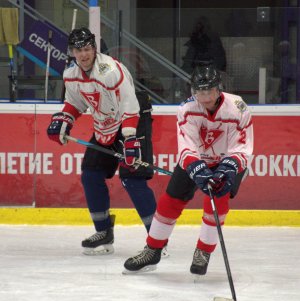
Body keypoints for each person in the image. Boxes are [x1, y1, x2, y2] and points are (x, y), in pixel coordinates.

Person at [47, 27, 168, 256]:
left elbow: (130, 107)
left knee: (132, 178)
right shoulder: (71, 75)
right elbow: (75, 103)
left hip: (133, 118)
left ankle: (157, 240)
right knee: (91, 174)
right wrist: (64, 120)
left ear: (94, 48)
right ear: (72, 52)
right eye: (78, 50)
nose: (83, 54)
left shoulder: (110, 70)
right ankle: (103, 232)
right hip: (106, 123)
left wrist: (130, 140)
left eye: (87, 49)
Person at [124, 64, 253, 274]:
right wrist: (197, 169)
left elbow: (241, 147)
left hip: (226, 161)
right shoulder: (187, 109)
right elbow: (187, 146)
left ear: (218, 89)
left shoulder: (237, 107)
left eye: (209, 91)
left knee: (217, 204)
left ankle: (203, 252)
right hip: (196, 160)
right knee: (170, 201)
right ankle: (153, 249)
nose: (204, 97)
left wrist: (227, 170)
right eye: (199, 92)